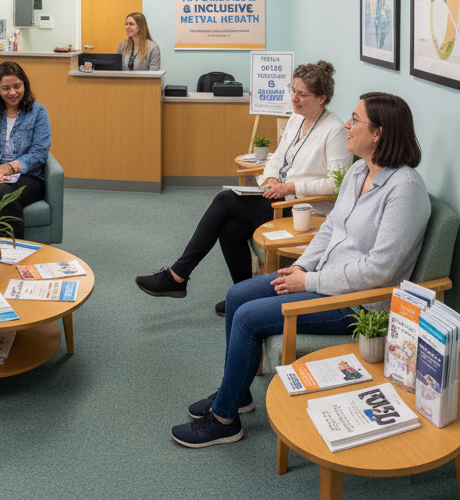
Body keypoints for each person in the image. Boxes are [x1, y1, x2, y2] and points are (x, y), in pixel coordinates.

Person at [171, 92, 427, 448]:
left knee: (247, 317)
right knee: (236, 296)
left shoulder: (405, 191)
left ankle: (225, 419)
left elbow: (379, 271)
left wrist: (310, 280)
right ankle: (238, 393)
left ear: (379, 133)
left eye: (355, 120)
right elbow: (329, 228)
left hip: (360, 304)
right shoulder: (358, 171)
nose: (347, 126)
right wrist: (303, 266)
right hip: (323, 279)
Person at [136, 61, 350, 315]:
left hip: (305, 210)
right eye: (292, 90)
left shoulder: (334, 130)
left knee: (225, 200)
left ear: (322, 98)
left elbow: (337, 184)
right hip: (279, 197)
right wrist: (270, 179)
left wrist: (289, 186)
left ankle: (178, 274)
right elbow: (276, 158)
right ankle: (243, 296)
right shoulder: (296, 119)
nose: (294, 98)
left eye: (302, 94)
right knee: (230, 228)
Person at [0, 61, 51, 240]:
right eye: (6, 88)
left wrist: (10, 167)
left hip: (28, 175)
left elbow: (39, 152)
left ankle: (14, 253)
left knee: (4, 195)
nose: (13, 93)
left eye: (17, 86)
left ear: (25, 85)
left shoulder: (38, 112)